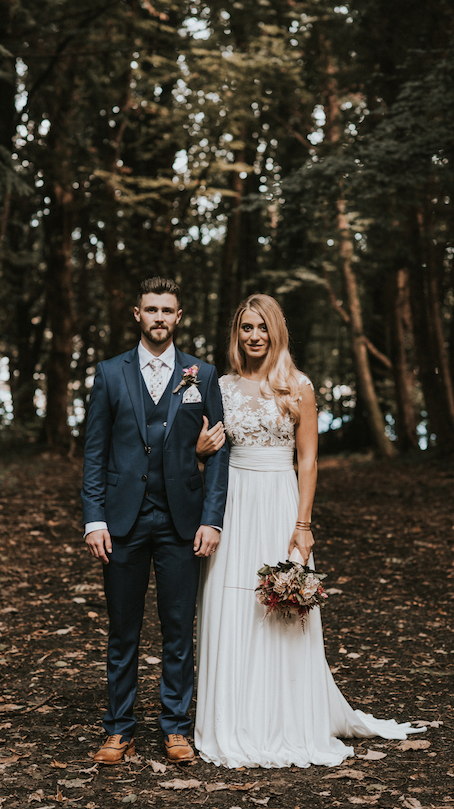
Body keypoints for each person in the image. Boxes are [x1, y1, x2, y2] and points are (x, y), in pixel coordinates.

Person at [194, 293, 422, 768]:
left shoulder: (298, 386)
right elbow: (206, 454)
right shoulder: (222, 385)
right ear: (236, 334)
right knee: (229, 603)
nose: (254, 336)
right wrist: (199, 451)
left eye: (262, 327)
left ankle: (287, 717)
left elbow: (308, 458)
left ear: (276, 332)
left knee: (282, 611)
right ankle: (234, 719)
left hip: (279, 501)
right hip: (233, 503)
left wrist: (302, 524)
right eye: (245, 328)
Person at [81, 277, 229, 765]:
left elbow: (220, 453)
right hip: (121, 522)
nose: (159, 317)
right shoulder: (109, 372)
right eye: (151, 309)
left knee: (177, 628)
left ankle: (175, 727)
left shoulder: (202, 375)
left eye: (168, 310)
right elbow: (95, 453)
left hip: (181, 521)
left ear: (179, 316)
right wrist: (93, 520)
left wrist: (212, 519)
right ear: (137, 314)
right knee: (123, 630)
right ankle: (119, 728)